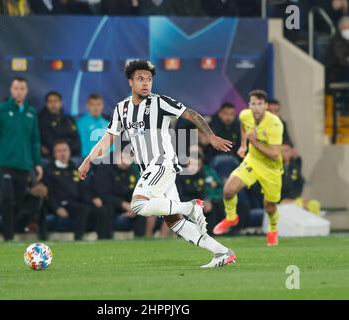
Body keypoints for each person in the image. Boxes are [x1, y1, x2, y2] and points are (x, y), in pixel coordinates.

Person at [78, 60, 236, 268]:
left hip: (162, 162)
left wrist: (211, 136)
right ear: (130, 82)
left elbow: (191, 114)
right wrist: (88, 160)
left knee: (137, 204)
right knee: (174, 222)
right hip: (151, 170)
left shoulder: (159, 102)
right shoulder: (121, 109)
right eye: (140, 79)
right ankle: (222, 252)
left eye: (149, 79)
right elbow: (108, 138)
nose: (146, 83)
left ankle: (191, 206)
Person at [213, 90, 284, 246]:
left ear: (266, 106)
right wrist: (244, 145)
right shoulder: (245, 115)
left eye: (260, 104)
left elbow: (274, 154)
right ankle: (231, 217)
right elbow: (244, 127)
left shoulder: (275, 124)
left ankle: (273, 228)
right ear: (249, 105)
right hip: (252, 161)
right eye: (253, 103)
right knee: (228, 190)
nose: (256, 107)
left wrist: (254, 142)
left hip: (271, 168)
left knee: (270, 206)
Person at [0, 77, 43, 241]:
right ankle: (8, 237)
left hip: (24, 164)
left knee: (19, 201)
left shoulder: (31, 113)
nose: (19, 91)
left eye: (22, 88)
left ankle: (14, 231)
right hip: (3, 163)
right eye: (16, 88)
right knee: (7, 199)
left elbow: (34, 139)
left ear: (27, 91)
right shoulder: (0, 110)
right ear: (11, 90)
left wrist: (37, 163)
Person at [43, 141, 114, 240]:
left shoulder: (74, 168)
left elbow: (83, 188)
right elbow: (48, 193)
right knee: (83, 209)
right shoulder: (49, 170)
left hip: (76, 202)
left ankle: (104, 239)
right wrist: (57, 207)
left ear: (69, 152)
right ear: (54, 154)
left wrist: (92, 198)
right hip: (62, 203)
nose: (62, 153)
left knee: (101, 209)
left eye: (65, 150)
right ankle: (78, 238)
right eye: (59, 151)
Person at [91, 146, 148, 237]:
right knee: (107, 208)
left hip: (124, 205)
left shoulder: (131, 171)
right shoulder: (104, 168)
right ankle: (105, 240)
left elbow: (133, 191)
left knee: (140, 209)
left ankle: (140, 240)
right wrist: (123, 204)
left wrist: (133, 205)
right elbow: (103, 195)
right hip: (108, 203)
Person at [39, 91, 81, 159]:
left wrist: (68, 150)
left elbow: (76, 140)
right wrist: (63, 149)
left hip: (71, 156)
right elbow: (48, 140)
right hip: (51, 157)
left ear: (61, 103)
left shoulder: (69, 119)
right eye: (50, 101)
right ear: (46, 104)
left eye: (56, 101)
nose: (53, 104)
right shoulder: (41, 120)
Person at [76, 94, 110, 159]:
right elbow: (82, 144)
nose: (96, 108)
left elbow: (111, 146)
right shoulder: (81, 123)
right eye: (92, 105)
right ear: (87, 106)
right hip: (88, 159)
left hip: (107, 159)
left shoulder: (107, 123)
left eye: (98, 104)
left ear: (102, 106)